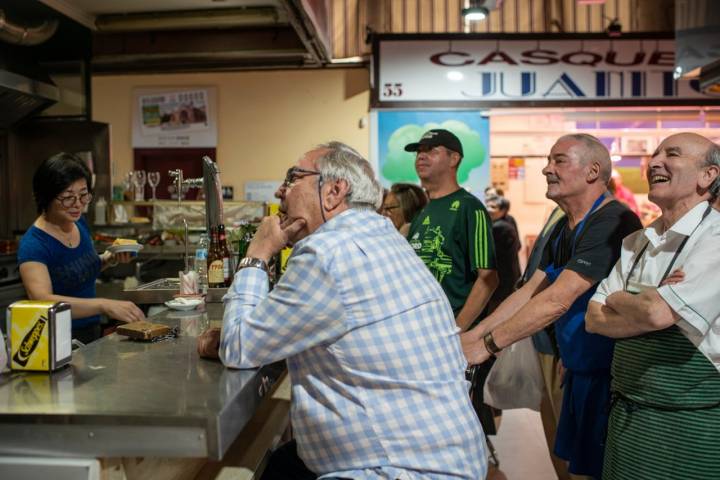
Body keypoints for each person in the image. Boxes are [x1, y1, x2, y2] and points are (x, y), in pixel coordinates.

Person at [198, 142, 487, 479]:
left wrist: (257, 254)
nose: (280, 190)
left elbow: (238, 347)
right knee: (280, 465)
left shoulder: (328, 252)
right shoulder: (382, 236)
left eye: (292, 178)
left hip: (397, 469)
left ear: (333, 192)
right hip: (444, 458)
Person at [461, 133, 643, 479]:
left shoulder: (612, 221)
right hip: (576, 367)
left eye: (559, 160)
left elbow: (559, 298)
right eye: (549, 160)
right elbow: (530, 289)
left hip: (608, 376)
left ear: (593, 172)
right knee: (569, 467)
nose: (547, 169)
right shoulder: (563, 225)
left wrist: (487, 346)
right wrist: (474, 335)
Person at [586, 133, 720, 480]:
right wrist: (648, 299)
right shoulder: (636, 242)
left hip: (691, 424)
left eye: (671, 154)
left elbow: (655, 313)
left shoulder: (716, 238)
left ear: (709, 175)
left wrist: (621, 299)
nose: (654, 162)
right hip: (628, 416)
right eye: (654, 154)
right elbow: (594, 317)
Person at [18, 153, 145, 344]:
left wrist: (109, 259)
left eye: (83, 195)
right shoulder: (34, 244)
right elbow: (42, 300)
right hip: (57, 338)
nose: (78, 204)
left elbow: (78, 271)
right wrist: (104, 305)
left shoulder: (79, 224)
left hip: (90, 332)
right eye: (68, 197)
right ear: (47, 197)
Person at [405, 129, 498, 331]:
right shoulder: (423, 212)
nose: (421, 156)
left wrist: (456, 330)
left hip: (452, 335)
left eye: (431, 150)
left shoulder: (469, 208)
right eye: (419, 151)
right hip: (421, 330)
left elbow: (488, 278)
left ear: (454, 158)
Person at [485, 195, 521, 313]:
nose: (489, 209)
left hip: (502, 278)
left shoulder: (498, 228)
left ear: (502, 210)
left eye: (493, 207)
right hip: (510, 274)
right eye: (488, 205)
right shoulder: (506, 222)